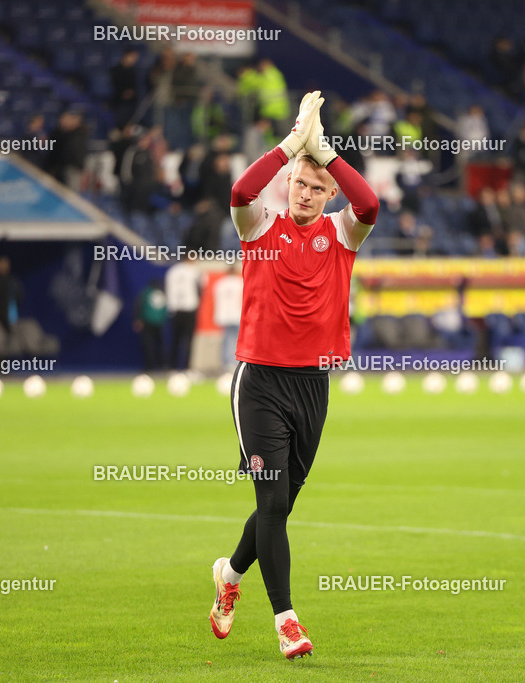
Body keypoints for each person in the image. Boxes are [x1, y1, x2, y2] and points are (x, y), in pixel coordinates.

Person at [209, 91, 378, 660]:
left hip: (313, 385)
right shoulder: (259, 227)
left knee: (277, 505)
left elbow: (371, 203)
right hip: (258, 383)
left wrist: (325, 152)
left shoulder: (341, 234)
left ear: (329, 192)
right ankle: (286, 619)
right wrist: (290, 146)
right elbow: (239, 192)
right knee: (274, 503)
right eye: (297, 184)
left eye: (315, 186)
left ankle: (229, 576)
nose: (303, 194)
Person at [165, 257, 200, 370]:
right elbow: (200, 288)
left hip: (175, 309)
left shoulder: (172, 271)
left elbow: (167, 289)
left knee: (176, 339)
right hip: (189, 308)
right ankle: (187, 368)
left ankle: (172, 367)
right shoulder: (194, 271)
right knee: (188, 340)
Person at [212, 265, 243, 370]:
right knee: (237, 341)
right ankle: (235, 362)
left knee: (226, 340)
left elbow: (216, 300)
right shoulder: (240, 282)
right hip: (237, 315)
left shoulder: (220, 283)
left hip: (224, 315)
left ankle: (226, 363)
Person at [133, 279, 167, 371]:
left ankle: (150, 366)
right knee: (158, 345)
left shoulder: (146, 292)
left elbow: (139, 305)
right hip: (158, 323)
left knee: (148, 345)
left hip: (147, 322)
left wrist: (138, 319)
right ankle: (163, 365)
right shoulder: (162, 293)